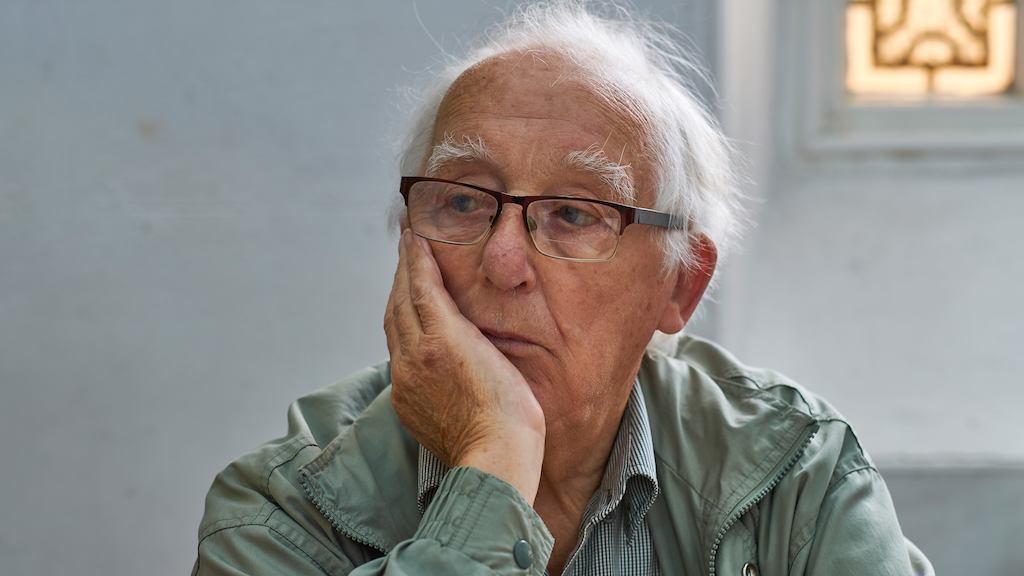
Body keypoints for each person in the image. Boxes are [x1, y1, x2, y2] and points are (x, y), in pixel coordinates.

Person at [193, 2, 933, 575]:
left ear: (680, 283)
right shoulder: (278, 512)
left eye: (574, 214)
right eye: (462, 202)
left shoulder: (794, 473)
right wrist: (493, 465)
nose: (503, 261)